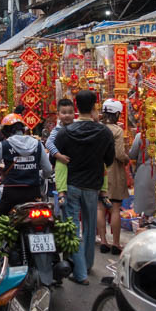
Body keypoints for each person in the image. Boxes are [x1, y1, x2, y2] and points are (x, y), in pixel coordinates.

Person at [54, 90, 115, 285]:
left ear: (76, 107)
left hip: (71, 185)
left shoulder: (65, 132)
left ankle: (80, 272)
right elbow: (109, 159)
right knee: (90, 227)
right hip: (93, 186)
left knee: (72, 228)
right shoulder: (104, 132)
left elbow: (56, 157)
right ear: (95, 107)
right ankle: (87, 264)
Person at [0, 114, 52, 228]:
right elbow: (48, 170)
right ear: (23, 129)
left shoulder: (5, 145)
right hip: (33, 193)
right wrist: (40, 175)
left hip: (10, 194)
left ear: (6, 132)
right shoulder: (38, 144)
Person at [98, 99, 128, 255]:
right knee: (115, 208)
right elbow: (119, 154)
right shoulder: (117, 130)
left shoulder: (98, 128)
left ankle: (103, 241)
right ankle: (115, 243)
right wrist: (127, 159)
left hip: (98, 172)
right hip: (114, 171)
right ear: (117, 114)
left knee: (100, 207)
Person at [128, 131, 156, 217]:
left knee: (143, 203)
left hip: (143, 173)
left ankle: (145, 225)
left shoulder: (140, 136)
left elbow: (132, 155)